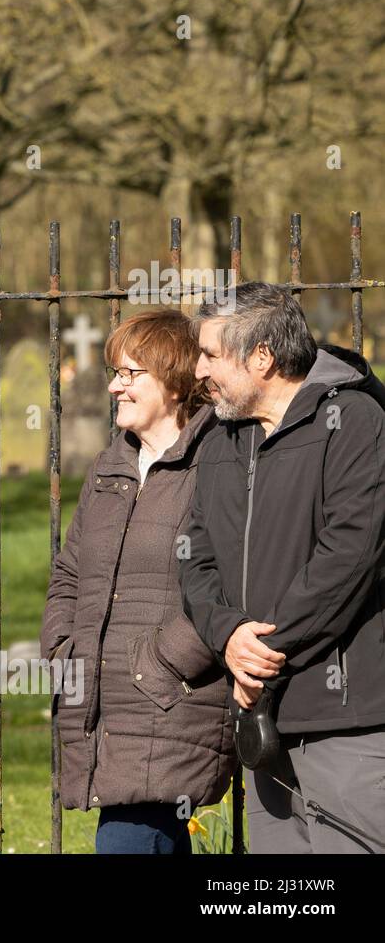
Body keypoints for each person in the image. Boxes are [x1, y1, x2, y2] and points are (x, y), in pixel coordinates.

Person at [180, 281, 385, 853]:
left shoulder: (354, 420)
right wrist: (228, 636)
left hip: (345, 721)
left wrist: (261, 651)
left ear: (262, 358)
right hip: (260, 719)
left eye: (211, 355)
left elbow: (349, 556)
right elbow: (194, 557)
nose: (198, 370)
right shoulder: (223, 439)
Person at [41, 309, 234, 854]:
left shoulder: (216, 463)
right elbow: (69, 571)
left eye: (130, 374)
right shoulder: (110, 467)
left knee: (128, 840)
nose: (114, 386)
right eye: (115, 372)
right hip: (104, 701)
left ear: (174, 382)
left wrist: (162, 663)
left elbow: (232, 581)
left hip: (173, 701)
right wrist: (62, 649)